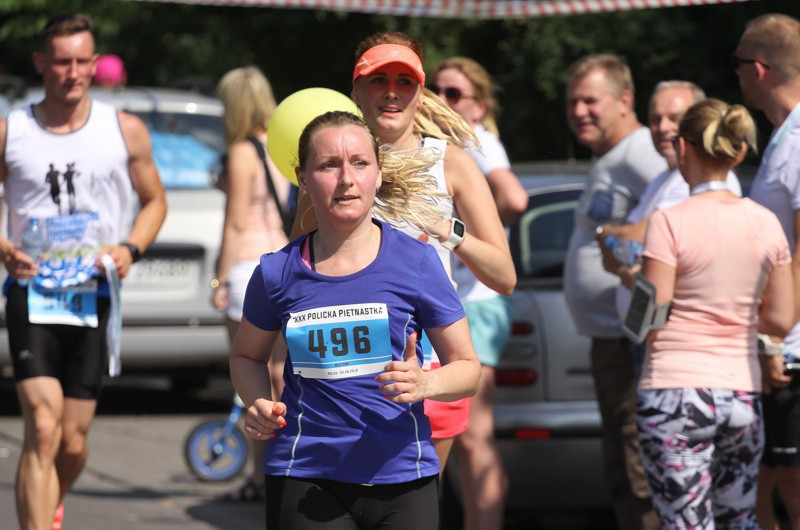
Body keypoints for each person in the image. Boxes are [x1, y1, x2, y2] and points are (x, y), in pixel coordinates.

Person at [230, 110, 482, 529]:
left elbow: (469, 368)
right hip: (305, 474)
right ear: (303, 178)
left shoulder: (417, 261)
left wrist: (426, 383)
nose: (346, 179)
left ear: (378, 174)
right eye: (329, 165)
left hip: (403, 475)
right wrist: (257, 401)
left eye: (360, 163)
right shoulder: (276, 271)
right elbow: (246, 357)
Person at [291, 32, 516, 476]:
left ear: (420, 93)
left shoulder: (450, 163)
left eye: (404, 81)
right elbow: (299, 267)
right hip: (342, 363)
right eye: (378, 80)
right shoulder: (330, 167)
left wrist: (445, 230)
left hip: (427, 361)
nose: (391, 92)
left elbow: (504, 276)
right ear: (356, 91)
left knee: (416, 495)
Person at [0, 13, 166, 530]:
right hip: (32, 290)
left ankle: (48, 502)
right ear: (40, 63)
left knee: (71, 441)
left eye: (81, 61)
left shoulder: (123, 129)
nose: (72, 73)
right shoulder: (12, 131)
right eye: (61, 62)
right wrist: (3, 247)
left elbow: (154, 201)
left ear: (95, 64)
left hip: (93, 294)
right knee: (42, 427)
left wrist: (131, 249)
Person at [636, 98, 794, 528]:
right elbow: (781, 319)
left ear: (683, 147)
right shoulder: (766, 223)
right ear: (739, 152)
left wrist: (632, 276)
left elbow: (650, 319)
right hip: (741, 393)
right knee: (739, 520)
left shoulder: (669, 221)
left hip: (675, 392)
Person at [563, 53, 665, 530]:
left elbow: (680, 212)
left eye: (590, 100)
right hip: (613, 338)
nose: (578, 111)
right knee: (622, 465)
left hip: (634, 341)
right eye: (572, 102)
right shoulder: (611, 155)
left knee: (638, 463)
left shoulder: (642, 150)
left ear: (625, 101)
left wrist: (614, 237)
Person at [432, 56, 525, 530]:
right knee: (463, 435)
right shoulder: (451, 144)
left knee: (472, 435)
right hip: (469, 303)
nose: (440, 100)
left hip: (478, 304)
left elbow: (515, 198)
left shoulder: (475, 140)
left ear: (479, 105)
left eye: (453, 93)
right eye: (435, 89)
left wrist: (468, 238)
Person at [597, 81, 742, 373]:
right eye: (655, 118)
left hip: (677, 341)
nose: (663, 127)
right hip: (652, 333)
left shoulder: (703, 183)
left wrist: (607, 234)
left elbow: (645, 235)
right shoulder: (666, 178)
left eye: (674, 118)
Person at [211, 66, 290, 502]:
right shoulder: (281, 145)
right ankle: (282, 465)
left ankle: (261, 475)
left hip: (248, 268)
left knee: (252, 375)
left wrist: (218, 278)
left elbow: (236, 223)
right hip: (283, 262)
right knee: (281, 373)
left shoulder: (242, 152)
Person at [734, 13, 800, 530]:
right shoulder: (785, 136)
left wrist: (777, 339)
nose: (734, 74)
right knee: (771, 484)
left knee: (790, 486)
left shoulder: (797, 141)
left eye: (736, 64)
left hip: (791, 348)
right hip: (782, 343)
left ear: (757, 68)